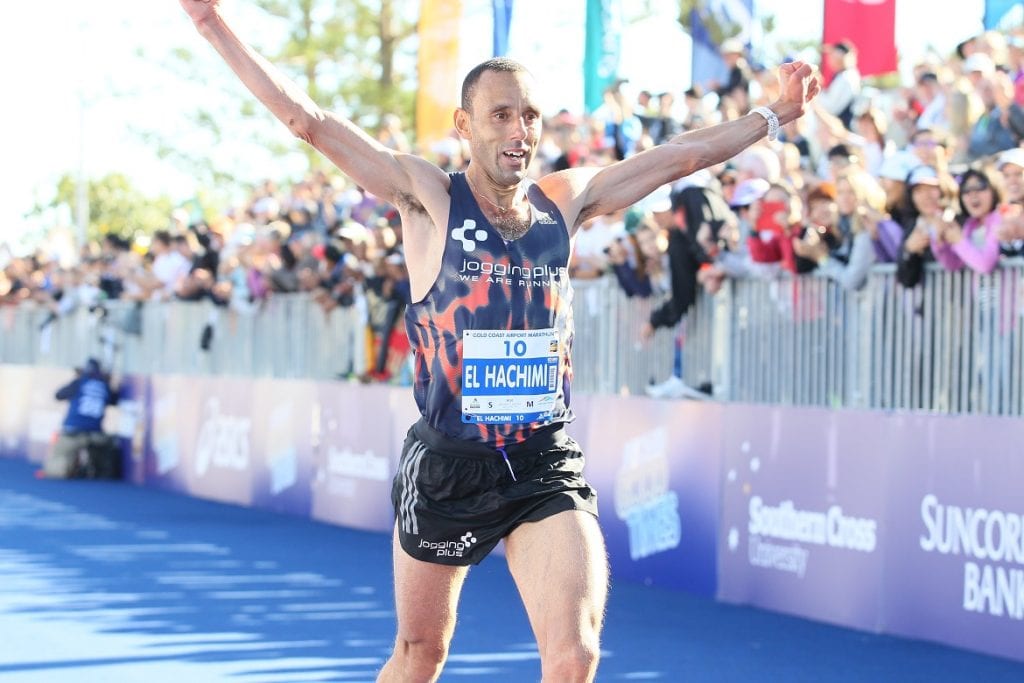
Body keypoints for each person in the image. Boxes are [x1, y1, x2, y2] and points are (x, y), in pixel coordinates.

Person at [178, 2, 820, 680]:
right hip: (450, 464)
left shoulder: (564, 201)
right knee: (421, 652)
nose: (520, 131)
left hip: (541, 460)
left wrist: (775, 116)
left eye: (531, 116)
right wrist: (212, 25)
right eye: (501, 115)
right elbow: (307, 121)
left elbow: (678, 156)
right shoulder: (427, 194)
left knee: (575, 653)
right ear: (465, 125)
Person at [44, 358, 121, 479]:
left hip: (73, 434)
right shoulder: (104, 385)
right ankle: (100, 472)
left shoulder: (79, 382)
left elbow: (58, 395)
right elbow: (115, 400)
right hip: (95, 435)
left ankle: (63, 471)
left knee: (58, 456)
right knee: (107, 447)